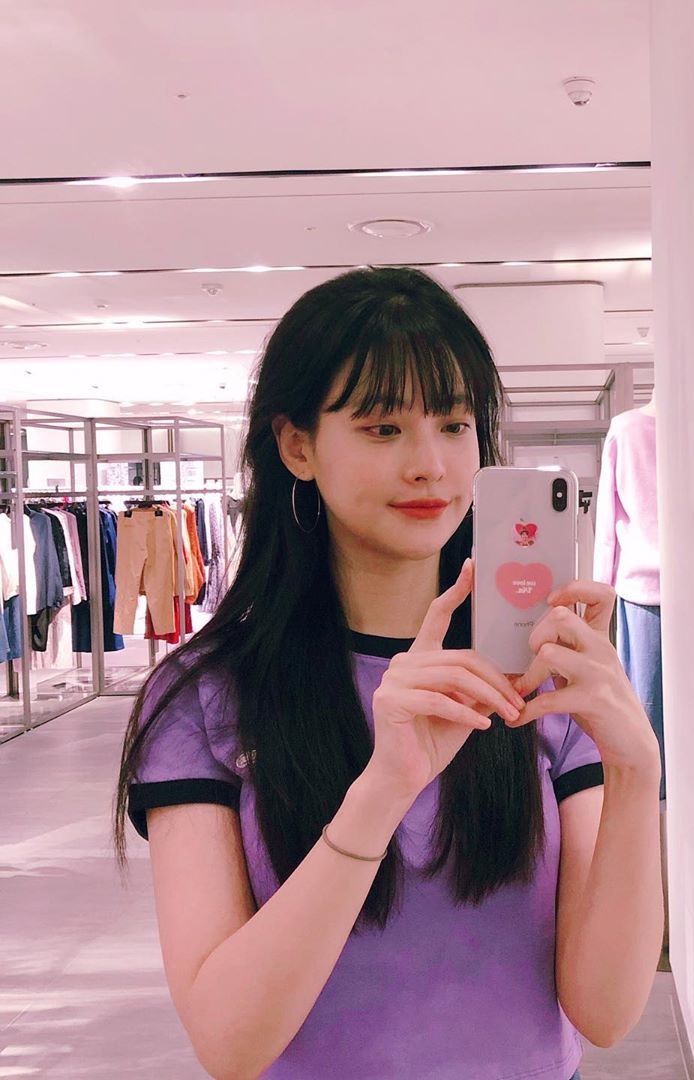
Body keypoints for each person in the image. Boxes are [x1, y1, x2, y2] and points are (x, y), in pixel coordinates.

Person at [113, 267, 665, 1080]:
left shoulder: (545, 674)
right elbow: (229, 1042)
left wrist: (637, 771)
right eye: (383, 428)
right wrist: (382, 791)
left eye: (454, 424)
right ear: (297, 446)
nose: (430, 465)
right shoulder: (207, 695)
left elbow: (606, 1012)